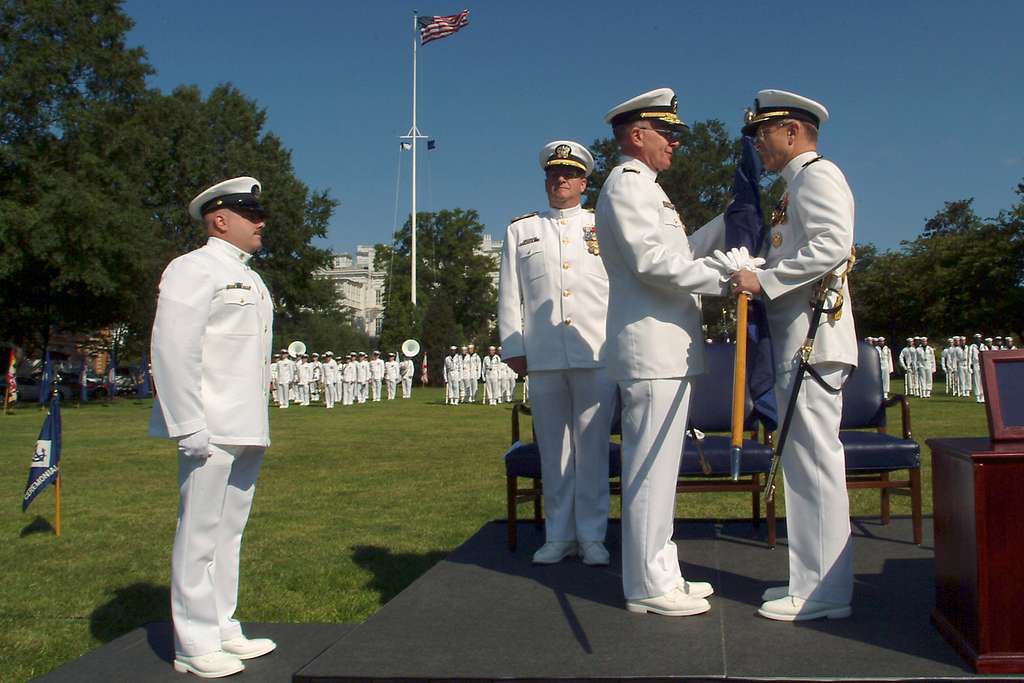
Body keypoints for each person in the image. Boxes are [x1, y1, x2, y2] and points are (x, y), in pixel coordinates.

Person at [596, 88, 730, 617]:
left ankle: (661, 570)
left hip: (667, 347)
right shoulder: (627, 185)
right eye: (666, 132)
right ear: (636, 135)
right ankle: (648, 585)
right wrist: (728, 279)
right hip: (650, 348)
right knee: (649, 469)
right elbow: (651, 262)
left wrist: (728, 220)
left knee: (661, 469)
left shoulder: (649, 189)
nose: (675, 141)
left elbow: (678, 252)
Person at [731, 90, 857, 621]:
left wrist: (764, 280)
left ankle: (825, 593)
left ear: (793, 131)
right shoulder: (793, 186)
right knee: (803, 467)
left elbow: (833, 243)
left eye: (765, 132)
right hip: (797, 344)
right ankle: (811, 583)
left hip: (813, 342)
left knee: (814, 465)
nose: (759, 144)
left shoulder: (818, 176)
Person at [150, 176, 277, 677]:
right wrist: (187, 422)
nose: (260, 221)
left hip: (245, 424)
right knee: (199, 533)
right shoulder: (193, 268)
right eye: (251, 213)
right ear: (220, 219)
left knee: (229, 532)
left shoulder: (248, 276)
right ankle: (193, 642)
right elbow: (172, 346)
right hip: (210, 424)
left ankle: (222, 624)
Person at [498, 139, 618, 566]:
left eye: (568, 174)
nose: (559, 180)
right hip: (545, 356)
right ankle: (559, 533)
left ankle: (592, 536)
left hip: (596, 350)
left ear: (585, 182)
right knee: (553, 448)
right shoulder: (522, 230)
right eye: (553, 174)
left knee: (592, 447)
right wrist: (514, 344)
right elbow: (510, 294)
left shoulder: (604, 224)